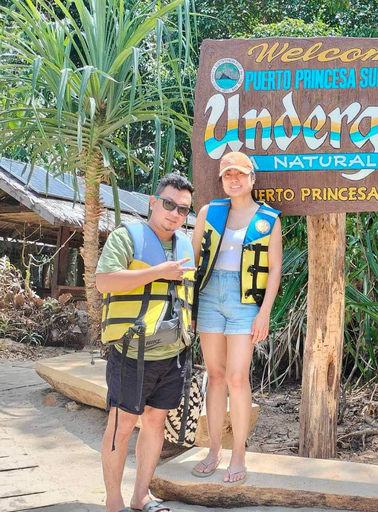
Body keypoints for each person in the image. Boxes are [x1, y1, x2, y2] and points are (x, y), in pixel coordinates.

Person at [97, 173, 196, 512]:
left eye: (183, 210)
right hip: (132, 352)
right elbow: (104, 281)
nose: (175, 214)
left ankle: (142, 496)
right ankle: (114, 500)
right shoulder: (127, 237)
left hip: (174, 352)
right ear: (153, 202)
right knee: (121, 424)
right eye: (169, 204)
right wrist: (158, 271)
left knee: (155, 423)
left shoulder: (186, 243)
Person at [190, 151, 282, 485]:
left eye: (240, 175)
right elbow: (193, 259)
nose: (234, 180)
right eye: (228, 175)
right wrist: (191, 307)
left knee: (237, 377)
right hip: (209, 295)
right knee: (214, 375)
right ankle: (214, 450)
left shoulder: (268, 219)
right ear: (222, 179)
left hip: (246, 302)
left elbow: (274, 270)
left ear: (252, 179)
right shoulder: (209, 212)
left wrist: (265, 312)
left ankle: (239, 452)